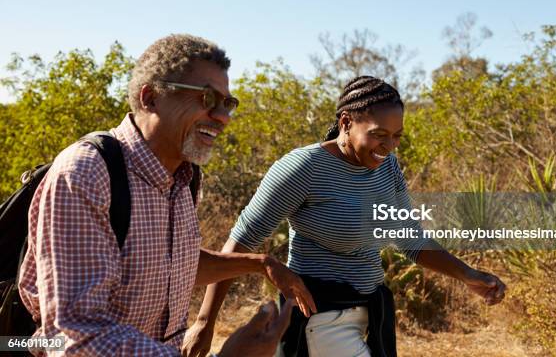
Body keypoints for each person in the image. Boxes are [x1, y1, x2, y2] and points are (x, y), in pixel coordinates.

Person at [18, 34, 316, 356]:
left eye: (228, 103)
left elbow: (173, 264)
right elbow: (76, 336)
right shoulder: (87, 173)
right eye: (206, 99)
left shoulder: (185, 176)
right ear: (151, 97)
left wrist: (260, 264)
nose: (223, 117)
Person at [185, 76, 507, 356]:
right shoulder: (303, 168)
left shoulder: (387, 167)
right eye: (379, 135)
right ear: (345, 122)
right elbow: (241, 242)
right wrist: (205, 322)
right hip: (320, 317)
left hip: (371, 314)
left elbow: (409, 238)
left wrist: (468, 275)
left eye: (397, 136)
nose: (389, 146)